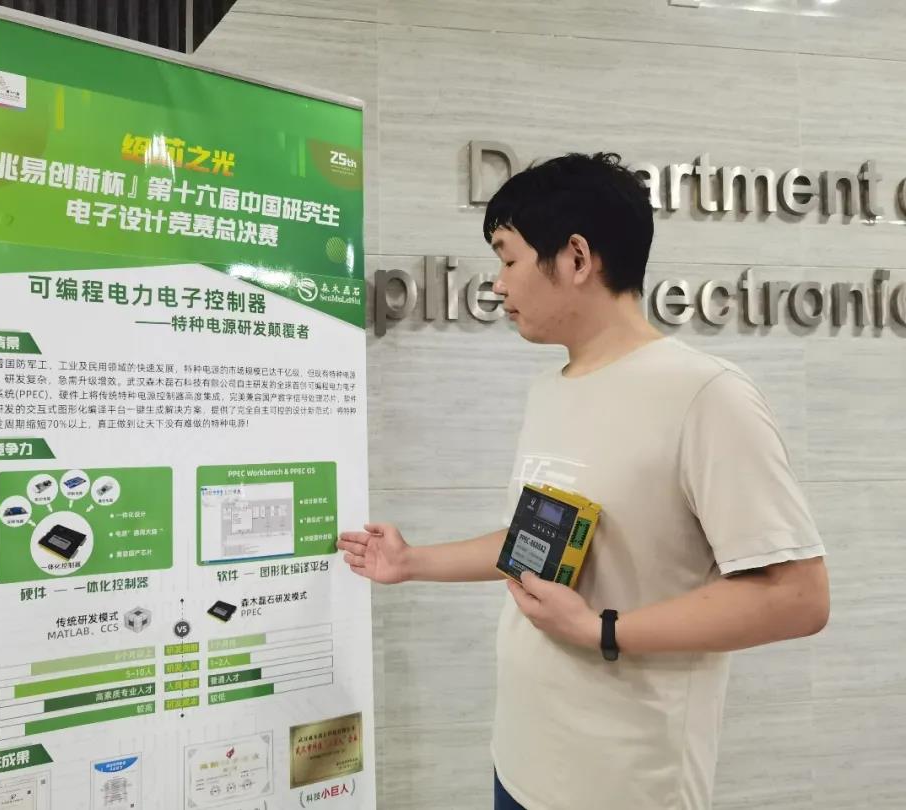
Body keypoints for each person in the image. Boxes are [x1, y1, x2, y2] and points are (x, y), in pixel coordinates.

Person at [337, 153, 830, 810]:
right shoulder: (552, 390)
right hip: (520, 761)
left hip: (625, 784)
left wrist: (604, 629)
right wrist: (411, 562)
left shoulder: (706, 394)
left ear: (575, 258)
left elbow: (797, 596)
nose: (497, 285)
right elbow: (533, 544)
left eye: (508, 259)